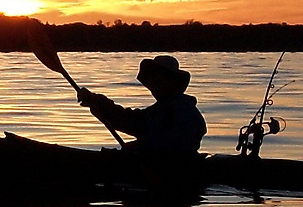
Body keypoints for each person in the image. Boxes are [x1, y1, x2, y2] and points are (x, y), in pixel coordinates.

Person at [77, 55, 207, 155]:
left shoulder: (178, 111)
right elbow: (131, 121)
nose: (153, 84)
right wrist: (95, 101)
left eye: (158, 78)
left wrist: (139, 146)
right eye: (152, 79)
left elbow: (172, 142)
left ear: (171, 82)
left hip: (171, 168)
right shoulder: (164, 109)